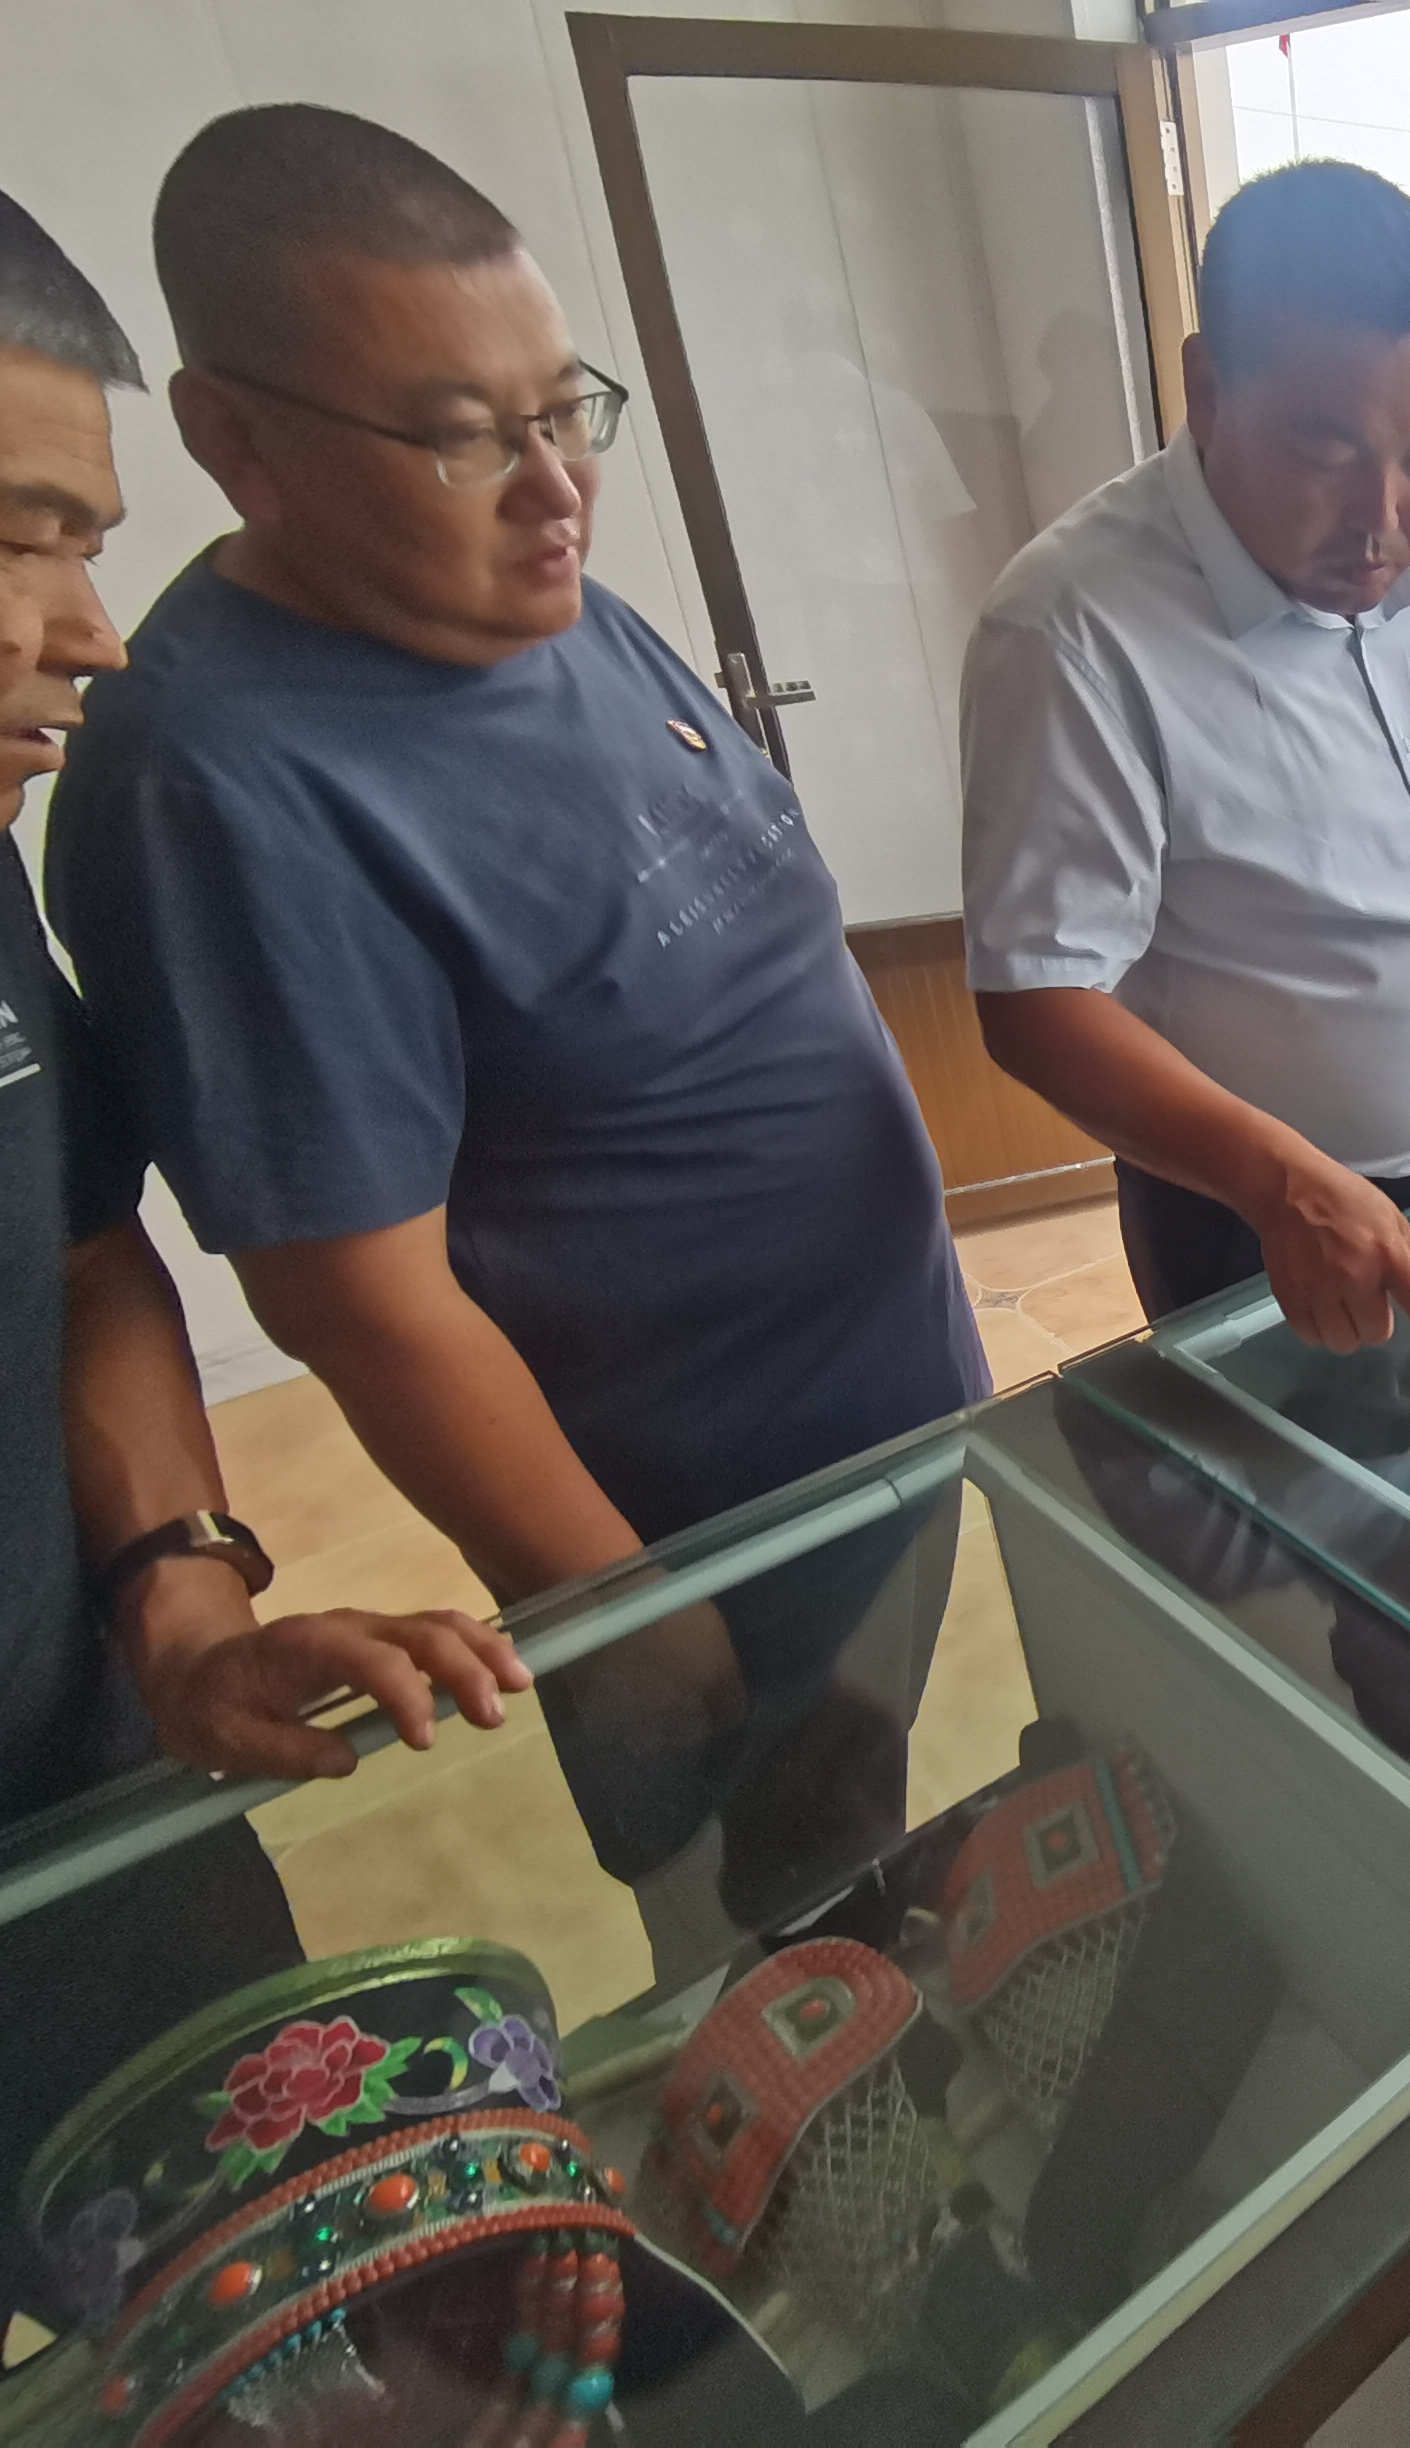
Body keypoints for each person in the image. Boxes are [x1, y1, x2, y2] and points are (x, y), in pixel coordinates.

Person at [46, 109, 989, 1952]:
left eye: (566, 412)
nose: (555, 490)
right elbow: (358, 1300)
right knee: (758, 1942)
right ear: (234, 438)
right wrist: (626, 1611)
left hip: (875, 1413)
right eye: (463, 437)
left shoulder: (543, 603)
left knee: (855, 1847)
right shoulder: (220, 781)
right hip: (690, 1525)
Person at [0, 183, 527, 2327]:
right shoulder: (201, 772)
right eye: (20, 538)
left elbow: (77, 1246)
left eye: (88, 543)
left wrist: (178, 1587)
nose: (91, 630)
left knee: (322, 2313)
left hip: (97, 1801)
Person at [963, 160, 1410, 1370]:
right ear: (1208, 391)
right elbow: (1035, 1001)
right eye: (1327, 455)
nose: (1382, 523)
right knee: (1316, 1497)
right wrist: (1279, 1185)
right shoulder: (1072, 626)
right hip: (1267, 1223)